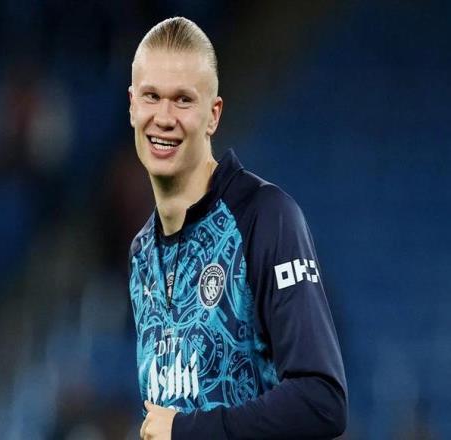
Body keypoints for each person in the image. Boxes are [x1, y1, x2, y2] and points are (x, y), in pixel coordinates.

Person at [128, 17, 347, 440]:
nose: (164, 117)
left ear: (213, 115)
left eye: (183, 100)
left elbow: (322, 400)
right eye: (152, 96)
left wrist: (188, 432)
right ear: (132, 105)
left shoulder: (265, 217)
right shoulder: (141, 253)